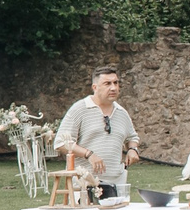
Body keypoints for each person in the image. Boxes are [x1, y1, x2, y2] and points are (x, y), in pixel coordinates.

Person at [53, 68, 139, 199]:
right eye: (107, 84)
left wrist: (133, 149)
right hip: (84, 184)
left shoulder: (122, 113)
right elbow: (61, 143)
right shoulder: (79, 109)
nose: (113, 88)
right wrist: (89, 154)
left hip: (116, 184)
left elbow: (132, 137)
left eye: (116, 83)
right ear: (95, 87)